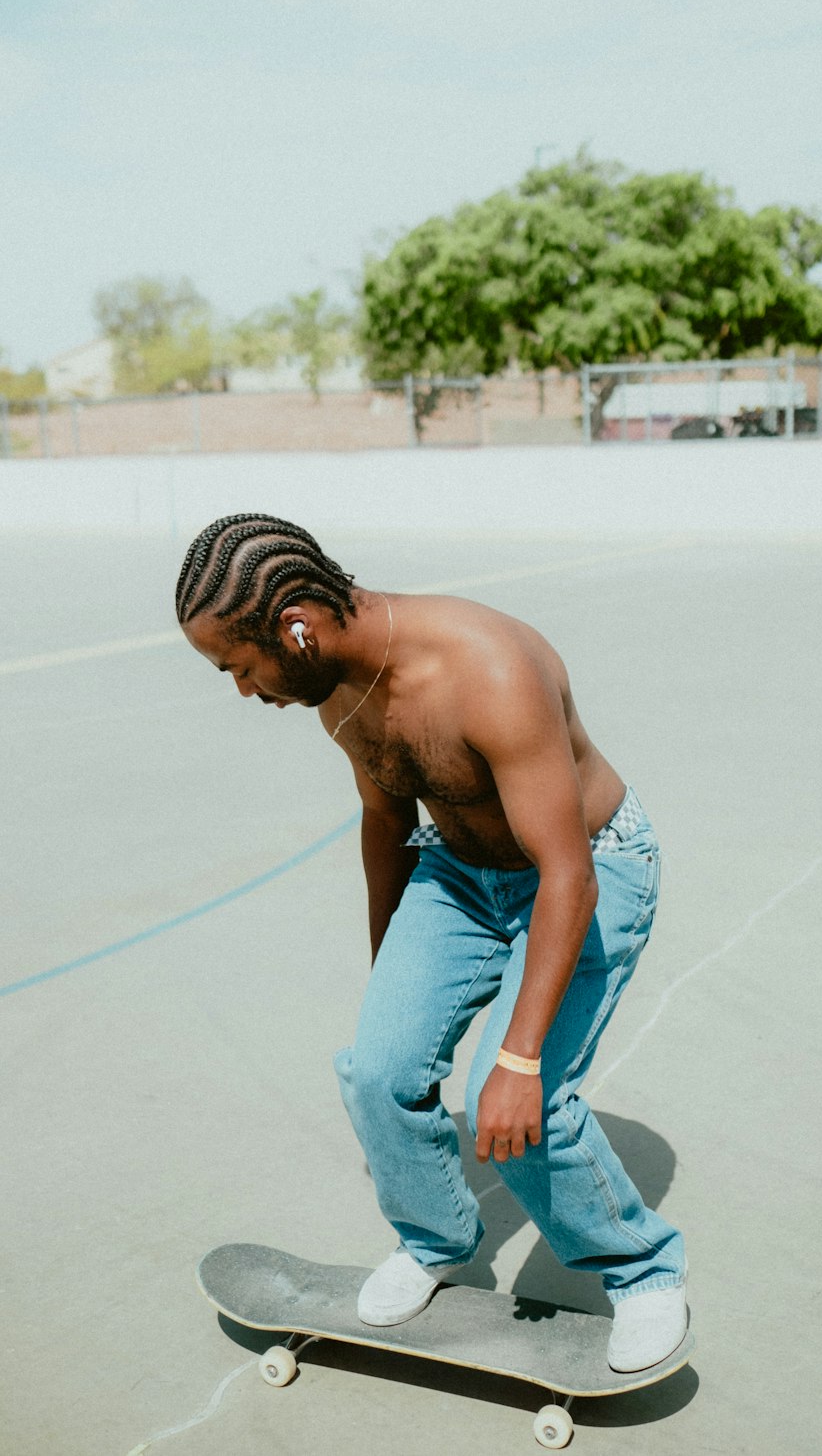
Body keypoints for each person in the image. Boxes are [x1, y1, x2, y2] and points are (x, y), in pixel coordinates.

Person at [176, 513, 687, 1372]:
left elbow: (568, 873)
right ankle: (435, 1240)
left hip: (584, 866)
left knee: (515, 1098)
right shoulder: (328, 680)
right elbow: (385, 821)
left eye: (238, 666)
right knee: (378, 1068)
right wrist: (395, 987)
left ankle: (642, 1271)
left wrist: (520, 1061)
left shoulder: (486, 670)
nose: (242, 689)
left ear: (294, 629)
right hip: (457, 869)